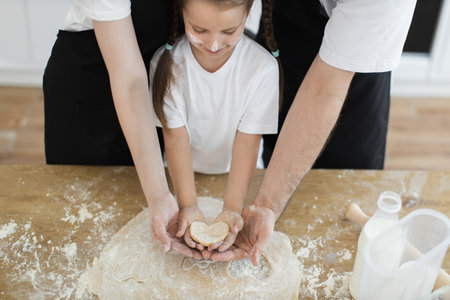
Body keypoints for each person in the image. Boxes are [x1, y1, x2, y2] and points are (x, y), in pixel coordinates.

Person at [208, 0, 418, 265]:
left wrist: (267, 204)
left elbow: (324, 90)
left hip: (352, 82)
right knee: (279, 154)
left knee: (343, 187)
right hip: (285, 37)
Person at [43, 0, 202, 259]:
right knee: (82, 232)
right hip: (91, 93)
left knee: (137, 217)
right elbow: (128, 79)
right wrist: (160, 196)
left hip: (153, 86)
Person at [150, 0, 280, 252]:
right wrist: (187, 205)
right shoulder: (167, 63)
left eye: (229, 32)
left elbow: (248, 142)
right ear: (182, 13)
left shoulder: (262, 68)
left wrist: (232, 209)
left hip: (240, 178)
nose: (213, 45)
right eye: (199, 30)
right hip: (179, 175)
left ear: (247, 16)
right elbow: (175, 138)